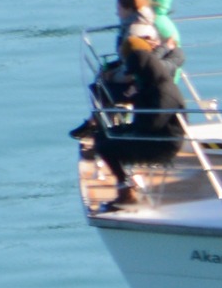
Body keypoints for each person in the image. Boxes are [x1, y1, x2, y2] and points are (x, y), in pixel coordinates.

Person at [75, 19, 189, 210]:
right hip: (152, 136)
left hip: (162, 144)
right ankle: (126, 186)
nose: (132, 76)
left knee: (107, 145)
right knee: (103, 136)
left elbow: (152, 123)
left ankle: (126, 191)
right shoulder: (153, 79)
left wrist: (128, 129)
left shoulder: (163, 91)